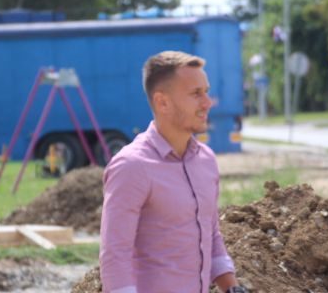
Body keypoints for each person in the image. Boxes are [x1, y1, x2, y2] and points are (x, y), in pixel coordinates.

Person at [100, 51, 246, 293]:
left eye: (206, 91)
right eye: (196, 93)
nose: (207, 102)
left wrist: (232, 288)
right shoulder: (131, 167)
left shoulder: (206, 160)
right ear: (162, 102)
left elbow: (211, 236)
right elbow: (115, 256)